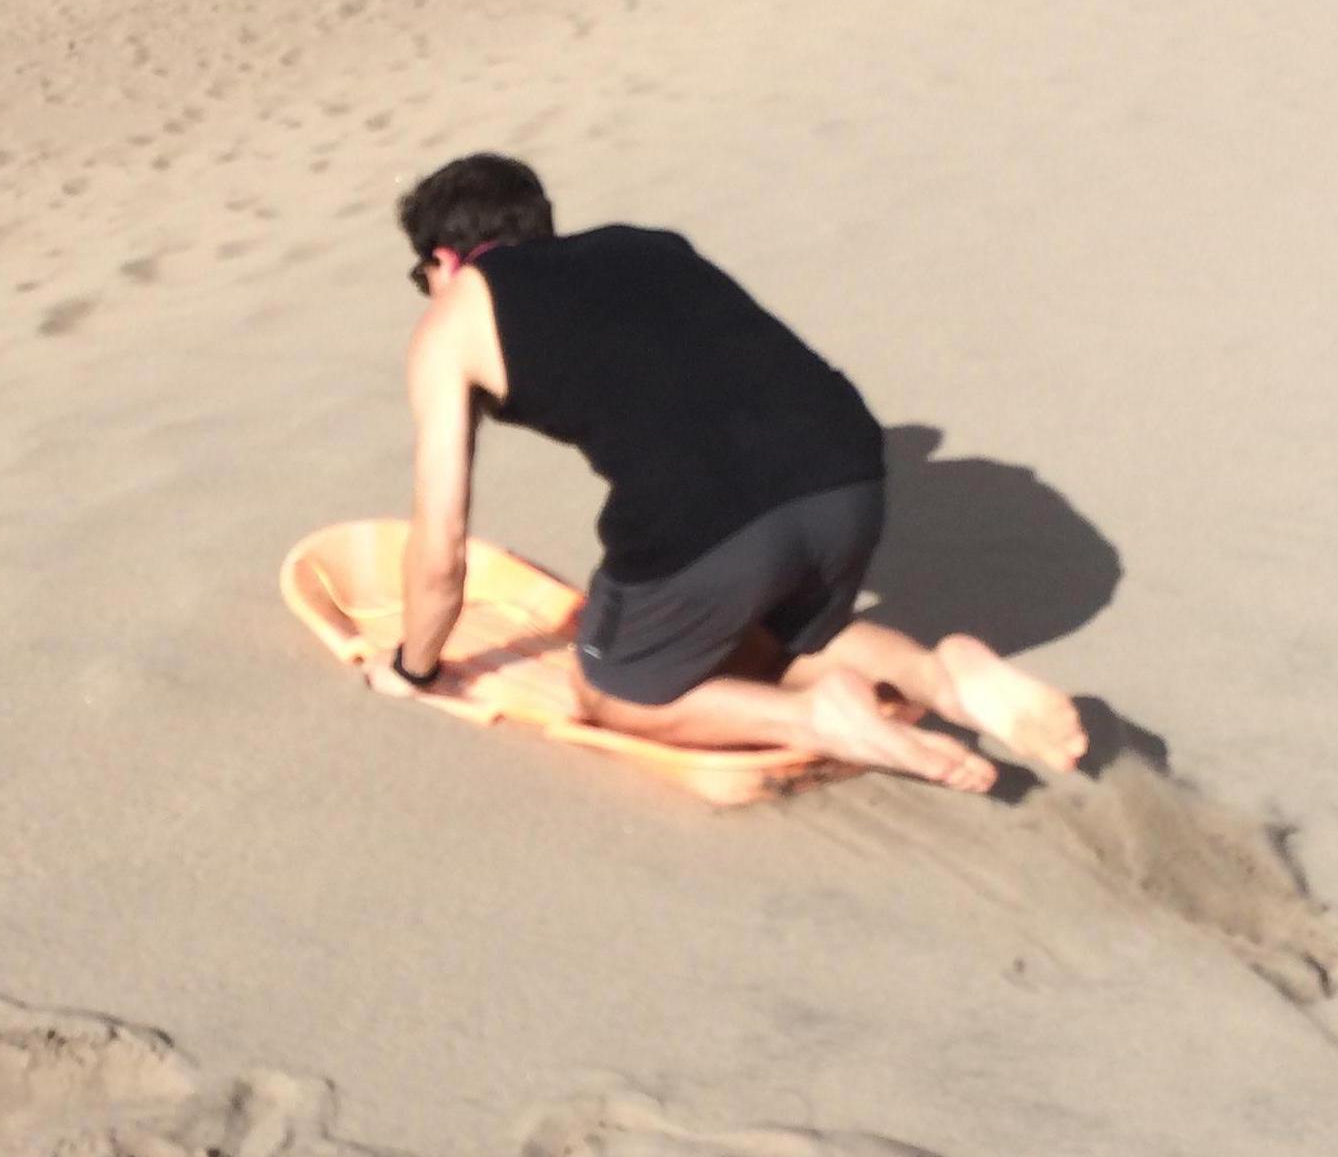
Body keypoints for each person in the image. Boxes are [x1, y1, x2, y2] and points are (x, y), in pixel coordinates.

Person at [375, 153, 1086, 791]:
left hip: (706, 514)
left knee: (612, 696)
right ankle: (941, 677)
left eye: (421, 275)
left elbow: (440, 546)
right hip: (846, 469)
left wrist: (413, 667)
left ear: (444, 259)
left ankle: (815, 718)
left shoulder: (454, 319)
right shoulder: (645, 245)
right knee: (775, 640)